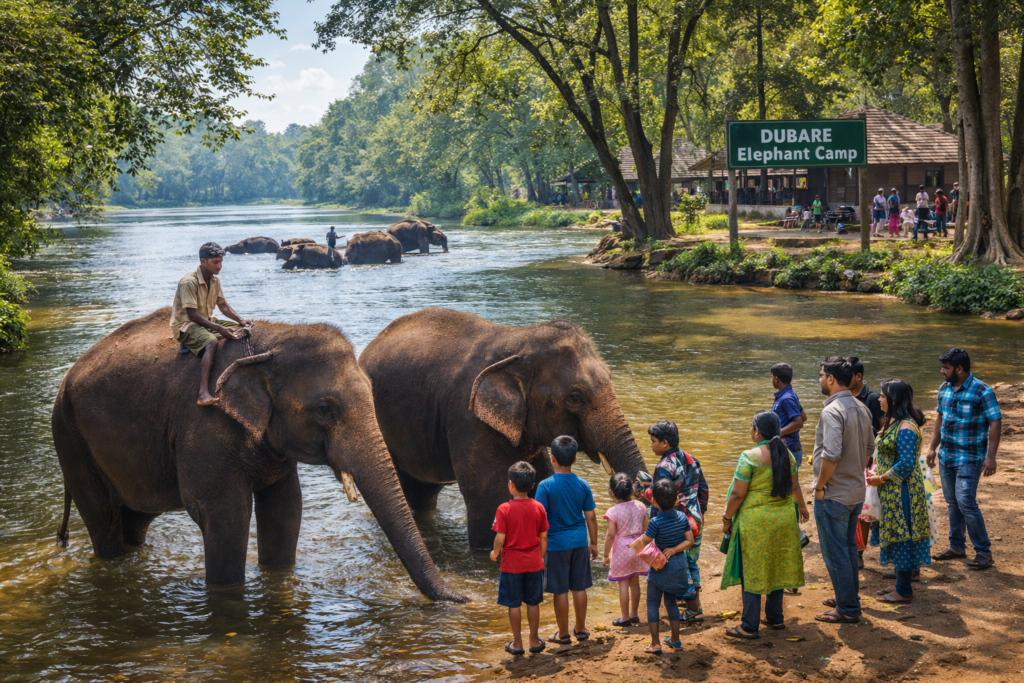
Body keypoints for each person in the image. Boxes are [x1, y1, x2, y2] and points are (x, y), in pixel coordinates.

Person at [721, 410, 808, 639]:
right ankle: (775, 617)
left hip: (756, 523)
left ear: (757, 431)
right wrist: (803, 508)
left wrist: (726, 519)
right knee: (775, 566)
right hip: (783, 521)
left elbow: (738, 495)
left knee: (754, 571)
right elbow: (795, 488)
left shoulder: (749, 457)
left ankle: (749, 625)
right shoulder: (787, 454)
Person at [812, 356, 875, 624]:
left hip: (834, 494)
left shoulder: (832, 410)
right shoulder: (862, 407)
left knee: (836, 551)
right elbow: (870, 449)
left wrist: (820, 485)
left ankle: (847, 608)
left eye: (821, 374)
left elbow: (832, 453)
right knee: (848, 548)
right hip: (855, 491)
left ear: (831, 379)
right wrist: (853, 472)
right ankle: (848, 598)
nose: (819, 379)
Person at [927, 348, 1002, 570]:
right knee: (952, 503)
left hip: (970, 457)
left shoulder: (982, 391)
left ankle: (984, 552)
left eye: (946, 367)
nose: (942, 371)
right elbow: (940, 418)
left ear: (959, 369)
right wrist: (932, 447)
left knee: (966, 501)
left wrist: (991, 456)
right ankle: (957, 546)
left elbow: (995, 421)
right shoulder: (944, 388)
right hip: (946, 455)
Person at [868, 379, 931, 604]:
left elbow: (906, 464)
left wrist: (882, 478)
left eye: (883, 396)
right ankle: (899, 583)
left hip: (902, 491)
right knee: (896, 533)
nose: (879, 399)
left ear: (893, 400)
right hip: (891, 490)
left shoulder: (906, 427)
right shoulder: (895, 422)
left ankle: (904, 590)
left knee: (903, 536)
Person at [170, 242, 250, 405]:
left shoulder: (214, 280)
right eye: (215, 262)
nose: (219, 266)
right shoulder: (189, 282)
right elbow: (192, 315)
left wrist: (240, 321)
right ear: (203, 261)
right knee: (212, 342)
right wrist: (219, 328)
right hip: (186, 324)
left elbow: (223, 305)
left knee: (243, 329)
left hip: (206, 319)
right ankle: (203, 393)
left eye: (221, 262)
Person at [535, 436, 598, 644]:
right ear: (575, 460)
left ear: (552, 459)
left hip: (555, 545)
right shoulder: (583, 484)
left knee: (560, 590)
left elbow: (539, 518)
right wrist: (594, 543)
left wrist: (537, 548)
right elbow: (591, 516)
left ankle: (563, 634)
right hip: (579, 542)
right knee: (579, 588)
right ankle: (581, 630)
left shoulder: (545, 487)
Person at [648, 420, 708, 622]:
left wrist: (644, 492)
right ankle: (694, 602)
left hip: (673, 522)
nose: (651, 444)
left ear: (664, 443)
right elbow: (703, 489)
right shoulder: (692, 459)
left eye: (653, 441)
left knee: (679, 565)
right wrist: (701, 512)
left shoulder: (664, 466)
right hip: (695, 519)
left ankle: (693, 608)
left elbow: (659, 497)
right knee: (692, 563)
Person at [491, 461, 549, 655]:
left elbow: (500, 538)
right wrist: (539, 558)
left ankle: (517, 643)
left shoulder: (503, 509)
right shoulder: (539, 507)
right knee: (533, 603)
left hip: (511, 566)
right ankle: (534, 640)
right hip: (533, 563)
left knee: (513, 604)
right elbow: (543, 537)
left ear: (511, 485)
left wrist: (495, 553)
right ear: (532, 486)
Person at [637, 479, 694, 654]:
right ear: (676, 500)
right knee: (671, 603)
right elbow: (690, 541)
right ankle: (675, 641)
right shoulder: (682, 517)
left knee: (653, 603)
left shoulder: (655, 522)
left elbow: (644, 542)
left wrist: (631, 545)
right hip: (678, 567)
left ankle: (655, 644)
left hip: (660, 568)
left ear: (653, 501)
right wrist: (675, 549)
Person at [847, 356, 884, 567]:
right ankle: (858, 553)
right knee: (859, 509)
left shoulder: (872, 399)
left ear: (858, 376)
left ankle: (861, 553)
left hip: (870, 463)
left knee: (867, 508)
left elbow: (881, 431)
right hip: (853, 460)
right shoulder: (843, 397)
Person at [603, 473, 649, 627]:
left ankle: (624, 618)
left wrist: (605, 555)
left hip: (621, 550)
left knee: (623, 584)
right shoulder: (641, 506)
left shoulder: (613, 511)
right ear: (632, 490)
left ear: (612, 492)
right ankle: (634, 614)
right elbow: (645, 529)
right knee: (635, 583)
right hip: (637, 546)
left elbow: (610, 535)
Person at [771, 363, 807, 465]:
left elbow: (799, 423)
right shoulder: (790, 395)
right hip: (790, 448)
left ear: (777, 379)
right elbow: (803, 417)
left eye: (772, 377)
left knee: (786, 481)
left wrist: (777, 434)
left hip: (788, 449)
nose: (772, 380)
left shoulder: (786, 398)